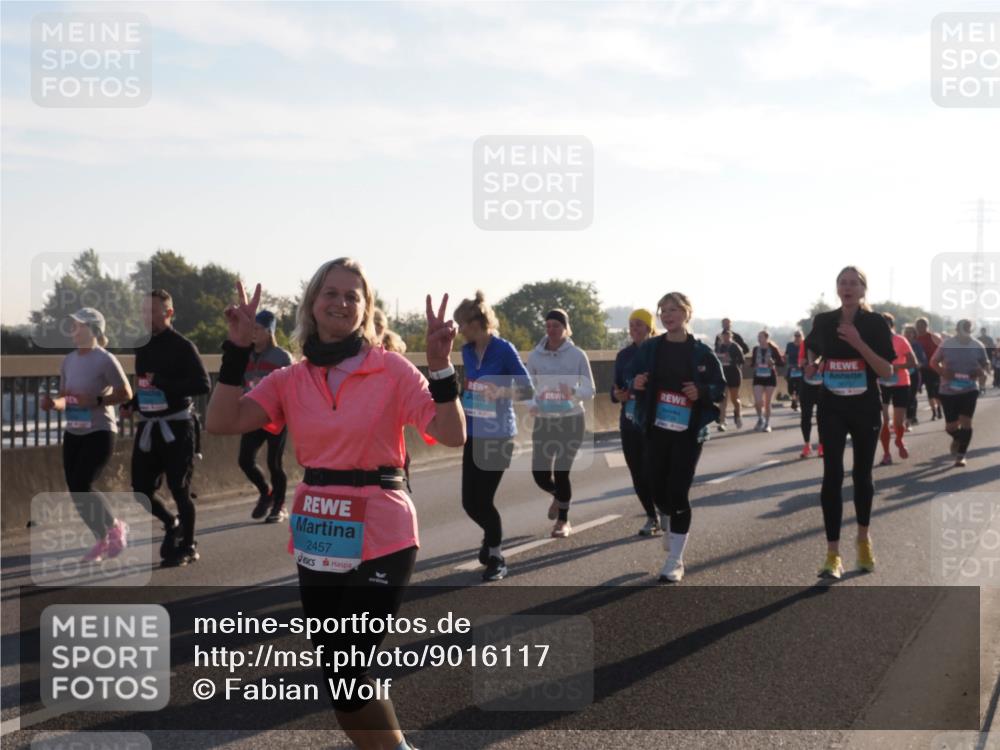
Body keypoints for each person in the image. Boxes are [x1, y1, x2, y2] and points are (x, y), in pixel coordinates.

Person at [206, 258, 464, 750]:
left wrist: (440, 367)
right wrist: (236, 349)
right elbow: (221, 421)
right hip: (320, 527)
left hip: (384, 526)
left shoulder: (390, 369)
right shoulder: (290, 378)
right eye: (331, 293)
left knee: (350, 660)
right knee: (339, 675)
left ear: (366, 310)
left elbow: (452, 434)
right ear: (312, 304)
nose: (341, 302)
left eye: (352, 296)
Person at [625, 292, 725, 582]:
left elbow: (719, 385)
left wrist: (702, 392)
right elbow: (631, 375)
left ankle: (675, 560)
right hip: (656, 428)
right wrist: (638, 382)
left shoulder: (701, 352)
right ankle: (666, 520)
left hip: (688, 431)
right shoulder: (651, 348)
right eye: (663, 311)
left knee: (679, 491)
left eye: (673, 310)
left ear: (686, 313)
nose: (667, 315)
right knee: (657, 489)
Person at [804, 267, 894, 579]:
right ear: (837, 288)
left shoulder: (875, 323)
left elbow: (886, 371)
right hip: (832, 406)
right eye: (842, 282)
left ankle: (863, 539)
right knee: (831, 475)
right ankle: (833, 554)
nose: (847, 287)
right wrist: (812, 365)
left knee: (861, 475)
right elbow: (815, 350)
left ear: (863, 289)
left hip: (865, 408)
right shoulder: (825, 321)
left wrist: (858, 342)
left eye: (853, 283)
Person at [125, 290, 210, 567]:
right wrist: (133, 403)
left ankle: (188, 545)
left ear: (169, 313)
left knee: (179, 488)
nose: (147, 316)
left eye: (153, 311)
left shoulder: (183, 346)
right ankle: (171, 522)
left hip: (177, 426)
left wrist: (165, 382)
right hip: (149, 425)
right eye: (144, 311)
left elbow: (202, 385)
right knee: (140, 490)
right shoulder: (143, 346)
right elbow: (146, 385)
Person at [40, 308, 133, 562]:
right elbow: (65, 397)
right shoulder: (68, 360)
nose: (73, 329)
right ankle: (101, 538)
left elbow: (126, 393)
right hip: (74, 431)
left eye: (78, 325)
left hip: (100, 430)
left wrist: (98, 399)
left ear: (93, 329)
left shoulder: (104, 359)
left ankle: (116, 526)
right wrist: (53, 404)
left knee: (83, 483)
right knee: (75, 488)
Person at [454, 291, 533, 581]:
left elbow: (528, 390)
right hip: (473, 432)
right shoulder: (466, 351)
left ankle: (497, 557)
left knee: (483, 501)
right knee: (468, 502)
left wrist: (501, 392)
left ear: (477, 321)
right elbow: (471, 385)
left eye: (461, 323)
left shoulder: (504, 350)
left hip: (499, 435)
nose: (459, 329)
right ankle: (490, 537)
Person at [526, 309, 595, 538]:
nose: (552, 330)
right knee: (540, 474)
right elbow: (528, 388)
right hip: (545, 421)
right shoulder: (535, 356)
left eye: (556, 325)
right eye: (548, 326)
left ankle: (563, 521)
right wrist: (532, 405)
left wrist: (573, 391)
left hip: (572, 420)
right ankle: (560, 495)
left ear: (566, 328)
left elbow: (590, 390)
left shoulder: (577, 355)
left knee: (562, 471)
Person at [239, 310, 293, 522]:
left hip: (276, 417)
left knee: (274, 463)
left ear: (269, 331)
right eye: (252, 328)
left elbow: (292, 388)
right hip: (252, 414)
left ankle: (279, 506)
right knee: (245, 460)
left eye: (258, 329)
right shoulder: (246, 355)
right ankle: (266, 492)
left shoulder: (282, 357)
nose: (253, 333)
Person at [611, 309, 658, 535]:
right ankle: (652, 516)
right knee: (637, 472)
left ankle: (665, 509)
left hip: (655, 421)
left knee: (654, 470)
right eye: (631, 325)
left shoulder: (659, 351)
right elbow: (615, 387)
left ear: (649, 327)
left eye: (639, 324)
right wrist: (617, 394)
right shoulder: (623, 355)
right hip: (629, 421)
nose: (634, 329)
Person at [931, 320, 989, 468]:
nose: (965, 332)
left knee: (966, 422)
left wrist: (981, 371)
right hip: (948, 390)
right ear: (957, 329)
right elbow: (933, 362)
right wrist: (943, 372)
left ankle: (961, 456)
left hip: (969, 389)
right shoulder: (946, 344)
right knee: (950, 427)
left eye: (968, 329)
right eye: (963, 329)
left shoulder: (977, 345)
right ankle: (958, 438)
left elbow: (985, 364)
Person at [876, 313, 916, 466]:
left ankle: (899, 439)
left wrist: (896, 367)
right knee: (884, 420)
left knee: (898, 422)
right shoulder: (874, 342)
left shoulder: (901, 340)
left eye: (884, 325)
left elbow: (913, 362)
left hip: (900, 382)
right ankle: (886, 454)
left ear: (890, 325)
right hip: (882, 384)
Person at [750, 331, 784, 432]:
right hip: (758, 376)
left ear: (766, 338)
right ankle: (760, 418)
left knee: (767, 402)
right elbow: (752, 362)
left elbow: (781, 363)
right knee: (758, 401)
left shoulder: (773, 349)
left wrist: (773, 362)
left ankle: (767, 424)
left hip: (770, 377)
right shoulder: (756, 349)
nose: (758, 339)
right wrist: (754, 365)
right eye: (758, 337)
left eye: (760, 337)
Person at [715, 329, 745, 430]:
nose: (725, 338)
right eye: (723, 336)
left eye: (727, 336)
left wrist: (731, 359)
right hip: (723, 375)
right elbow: (715, 359)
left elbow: (742, 360)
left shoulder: (735, 346)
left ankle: (738, 414)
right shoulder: (719, 347)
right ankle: (722, 422)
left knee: (734, 399)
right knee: (722, 399)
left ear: (730, 336)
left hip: (734, 374)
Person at [915, 318, 943, 421]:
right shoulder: (915, 338)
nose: (919, 327)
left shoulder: (933, 337)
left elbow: (943, 349)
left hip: (933, 368)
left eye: (922, 325)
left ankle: (939, 410)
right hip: (922, 369)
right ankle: (934, 412)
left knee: (935, 392)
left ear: (927, 326)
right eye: (918, 325)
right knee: (929, 391)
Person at [799, 347, 824, 459]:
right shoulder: (806, 343)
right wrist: (804, 365)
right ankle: (807, 445)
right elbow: (800, 361)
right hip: (807, 385)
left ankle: (821, 445)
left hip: (822, 385)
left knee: (822, 417)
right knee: (805, 416)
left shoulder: (826, 340)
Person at [902, 324, 926, 428]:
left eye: (910, 332)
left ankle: (911, 417)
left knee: (912, 396)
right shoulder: (900, 343)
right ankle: (908, 417)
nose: (907, 334)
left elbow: (923, 360)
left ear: (914, 334)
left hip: (914, 373)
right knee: (904, 397)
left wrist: (916, 365)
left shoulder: (917, 345)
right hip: (902, 373)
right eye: (906, 332)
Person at [785, 330, 805, 411]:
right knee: (791, 388)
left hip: (801, 369)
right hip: (791, 369)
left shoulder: (804, 345)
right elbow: (786, 355)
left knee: (800, 388)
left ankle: (795, 401)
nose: (797, 337)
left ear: (801, 336)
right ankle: (794, 399)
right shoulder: (789, 345)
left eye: (798, 336)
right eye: (796, 336)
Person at [977, 327, 996, 393]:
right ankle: (981, 386)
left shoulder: (989, 339)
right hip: (979, 358)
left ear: (985, 332)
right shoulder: (978, 339)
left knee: (985, 373)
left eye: (984, 331)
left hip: (987, 358)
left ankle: (983, 386)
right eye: (982, 331)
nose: (983, 332)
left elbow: (992, 348)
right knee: (980, 373)